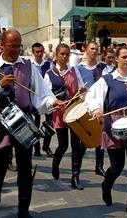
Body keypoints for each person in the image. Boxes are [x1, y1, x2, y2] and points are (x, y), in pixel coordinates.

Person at [0, 30, 63, 218]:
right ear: (3, 46)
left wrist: (52, 102)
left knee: (24, 167)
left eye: (18, 45)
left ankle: (23, 209)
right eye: (11, 46)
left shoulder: (29, 66)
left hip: (23, 123)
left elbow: (42, 93)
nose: (15, 49)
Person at [85, 46, 127, 218]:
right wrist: (96, 110)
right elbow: (91, 98)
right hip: (114, 126)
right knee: (117, 166)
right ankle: (106, 185)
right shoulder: (106, 80)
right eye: (123, 57)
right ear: (116, 59)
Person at [44, 43, 87, 189]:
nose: (64, 57)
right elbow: (47, 95)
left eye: (67, 54)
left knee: (76, 145)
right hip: (60, 113)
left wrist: (82, 90)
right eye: (62, 54)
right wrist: (54, 103)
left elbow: (82, 89)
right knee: (63, 145)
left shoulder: (74, 71)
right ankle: (55, 164)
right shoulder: (49, 73)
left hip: (74, 112)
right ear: (56, 55)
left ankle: (75, 176)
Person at [75, 41, 106, 177]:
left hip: (100, 106)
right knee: (85, 138)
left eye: (96, 49)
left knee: (100, 136)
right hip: (86, 106)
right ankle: (77, 168)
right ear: (86, 50)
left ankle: (99, 166)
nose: (94, 51)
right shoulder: (78, 68)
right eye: (92, 49)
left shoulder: (102, 68)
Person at [31, 42, 54, 157]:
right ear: (33, 53)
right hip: (34, 98)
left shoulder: (49, 65)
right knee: (35, 124)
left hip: (47, 98)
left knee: (50, 124)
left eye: (41, 51)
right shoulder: (30, 65)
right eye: (37, 52)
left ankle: (46, 146)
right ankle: (36, 148)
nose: (39, 54)